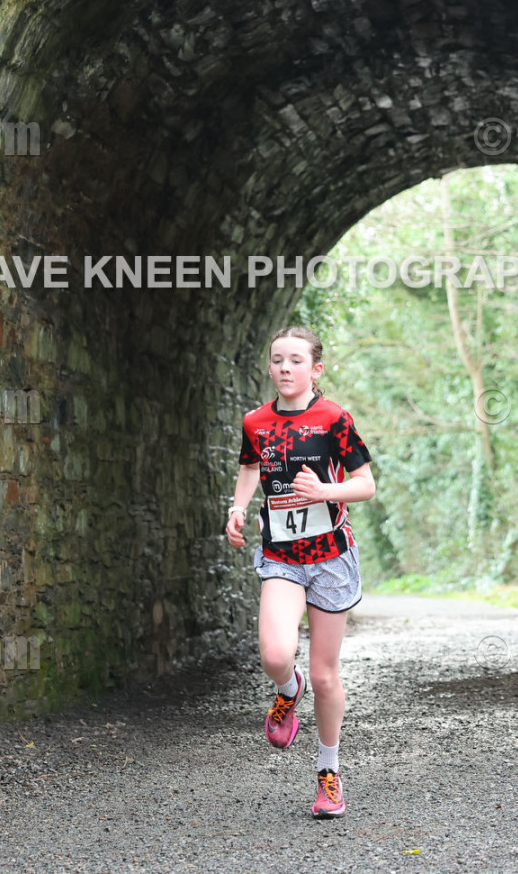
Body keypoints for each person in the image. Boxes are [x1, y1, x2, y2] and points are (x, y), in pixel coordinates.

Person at [226, 324, 376, 820]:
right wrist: (238, 508)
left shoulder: (334, 418)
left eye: (295, 360)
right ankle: (288, 690)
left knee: (326, 676)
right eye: (277, 360)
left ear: (316, 369)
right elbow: (251, 467)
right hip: (283, 556)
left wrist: (325, 492)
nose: (285, 368)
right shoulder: (256, 421)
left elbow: (366, 484)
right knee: (275, 655)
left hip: (330, 557)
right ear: (269, 368)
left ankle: (328, 773)